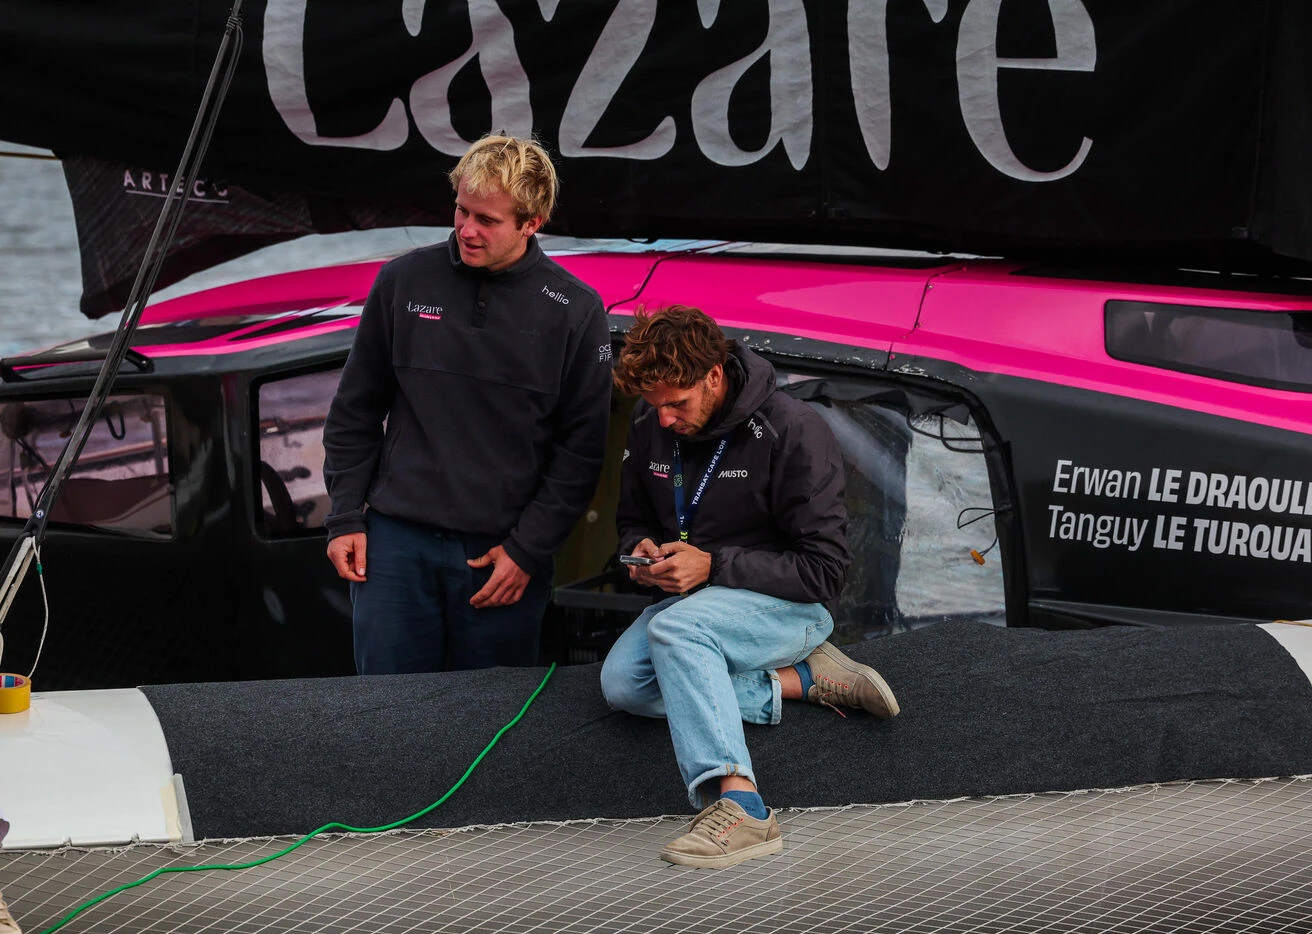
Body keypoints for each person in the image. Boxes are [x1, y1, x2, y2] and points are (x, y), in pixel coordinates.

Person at [600, 305, 900, 869]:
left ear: (714, 376)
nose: (663, 419)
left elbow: (825, 572)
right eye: (653, 404)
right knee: (624, 686)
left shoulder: (793, 429)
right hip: (695, 606)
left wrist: (712, 566)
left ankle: (745, 808)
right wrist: (640, 552)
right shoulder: (649, 422)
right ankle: (801, 680)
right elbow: (632, 518)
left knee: (677, 629)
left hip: (793, 608)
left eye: (676, 403)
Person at [322, 134, 612, 674]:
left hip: (501, 556)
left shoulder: (575, 310)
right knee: (386, 715)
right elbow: (354, 412)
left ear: (532, 222)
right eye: (461, 210)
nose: (466, 229)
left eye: (487, 219)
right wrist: (344, 518)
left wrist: (528, 550)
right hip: (395, 549)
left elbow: (581, 453)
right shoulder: (402, 280)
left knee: (488, 719)